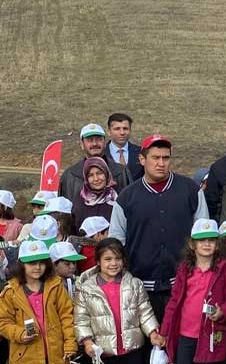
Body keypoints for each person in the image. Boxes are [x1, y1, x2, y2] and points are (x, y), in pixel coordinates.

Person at [110, 135, 209, 316]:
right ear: (142, 159)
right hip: (140, 287)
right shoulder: (126, 198)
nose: (161, 163)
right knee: (146, 342)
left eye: (166, 158)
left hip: (184, 283)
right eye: (155, 158)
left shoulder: (191, 191)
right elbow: (115, 243)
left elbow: (204, 237)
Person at [74, 238, 165, 364]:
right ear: (98, 262)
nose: (113, 263)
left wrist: (153, 333)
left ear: (123, 260)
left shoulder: (135, 284)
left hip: (131, 347)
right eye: (107, 259)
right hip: (103, 350)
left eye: (117, 258)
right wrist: (87, 341)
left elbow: (144, 312)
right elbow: (81, 319)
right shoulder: (87, 288)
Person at [0, 240, 77, 364]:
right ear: (21, 264)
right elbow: (2, 321)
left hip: (56, 354)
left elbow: (67, 316)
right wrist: (20, 334)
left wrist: (70, 343)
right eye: (32, 263)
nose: (37, 267)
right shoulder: (11, 292)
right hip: (27, 356)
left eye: (41, 262)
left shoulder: (55, 286)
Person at [161, 219, 226, 364]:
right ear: (192, 244)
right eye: (201, 240)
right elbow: (175, 300)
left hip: (212, 330)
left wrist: (223, 311)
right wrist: (165, 331)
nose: (206, 244)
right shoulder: (185, 269)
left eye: (211, 240)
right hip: (186, 331)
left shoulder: (224, 268)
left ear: (217, 243)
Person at [61, 123, 131, 206]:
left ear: (105, 143)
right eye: (90, 140)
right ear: (82, 144)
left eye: (98, 139)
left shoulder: (121, 172)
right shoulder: (70, 175)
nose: (94, 144)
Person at [72, 157, 119, 225]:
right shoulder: (80, 199)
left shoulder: (118, 196)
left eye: (99, 173)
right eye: (90, 175)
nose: (96, 179)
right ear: (86, 178)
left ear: (106, 174)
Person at [106, 113, 144, 181]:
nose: (122, 132)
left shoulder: (141, 152)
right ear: (109, 132)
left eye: (125, 128)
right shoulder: (101, 153)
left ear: (130, 130)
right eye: (117, 129)